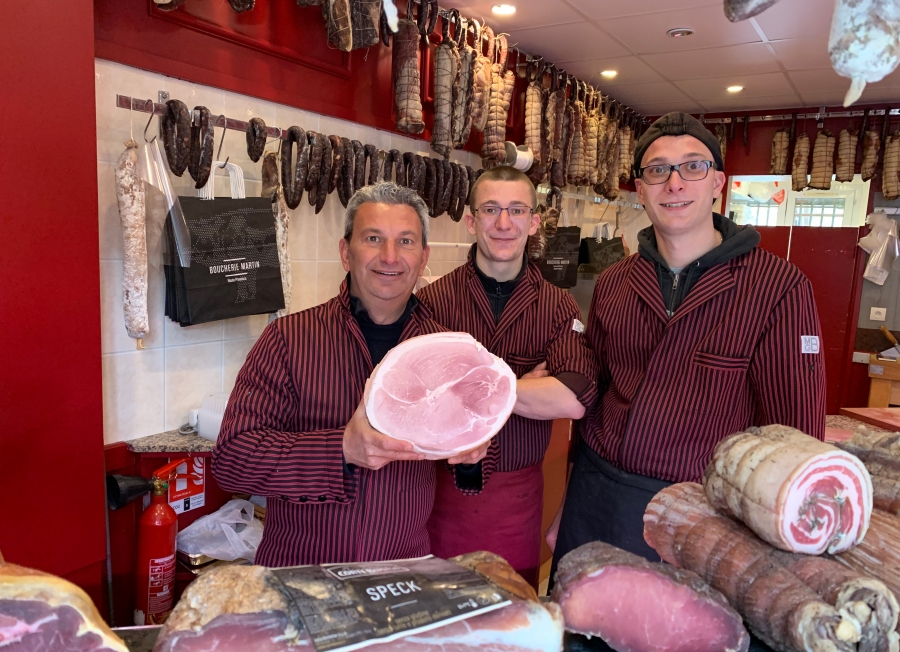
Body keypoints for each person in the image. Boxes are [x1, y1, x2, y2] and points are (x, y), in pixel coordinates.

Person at [548, 112, 826, 569]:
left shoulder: (779, 286)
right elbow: (595, 402)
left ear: (717, 182)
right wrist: (566, 504)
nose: (674, 183)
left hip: (704, 516)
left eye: (693, 166)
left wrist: (781, 549)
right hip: (596, 497)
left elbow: (795, 434)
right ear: (641, 190)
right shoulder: (614, 281)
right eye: (658, 170)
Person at [212, 182, 488, 567]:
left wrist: (471, 455)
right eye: (373, 238)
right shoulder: (288, 339)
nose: (390, 256)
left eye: (406, 241)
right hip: (300, 572)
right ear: (346, 252)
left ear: (423, 257)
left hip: (399, 571)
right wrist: (341, 448)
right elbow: (232, 461)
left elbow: (470, 475)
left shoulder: (445, 351)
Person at [416, 166, 598, 588]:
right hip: (440, 498)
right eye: (491, 209)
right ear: (470, 220)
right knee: (441, 614)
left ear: (534, 222)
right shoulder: (432, 301)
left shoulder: (558, 306)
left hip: (518, 502)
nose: (503, 223)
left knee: (512, 614)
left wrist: (472, 388)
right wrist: (526, 387)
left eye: (516, 210)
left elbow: (573, 398)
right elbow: (423, 402)